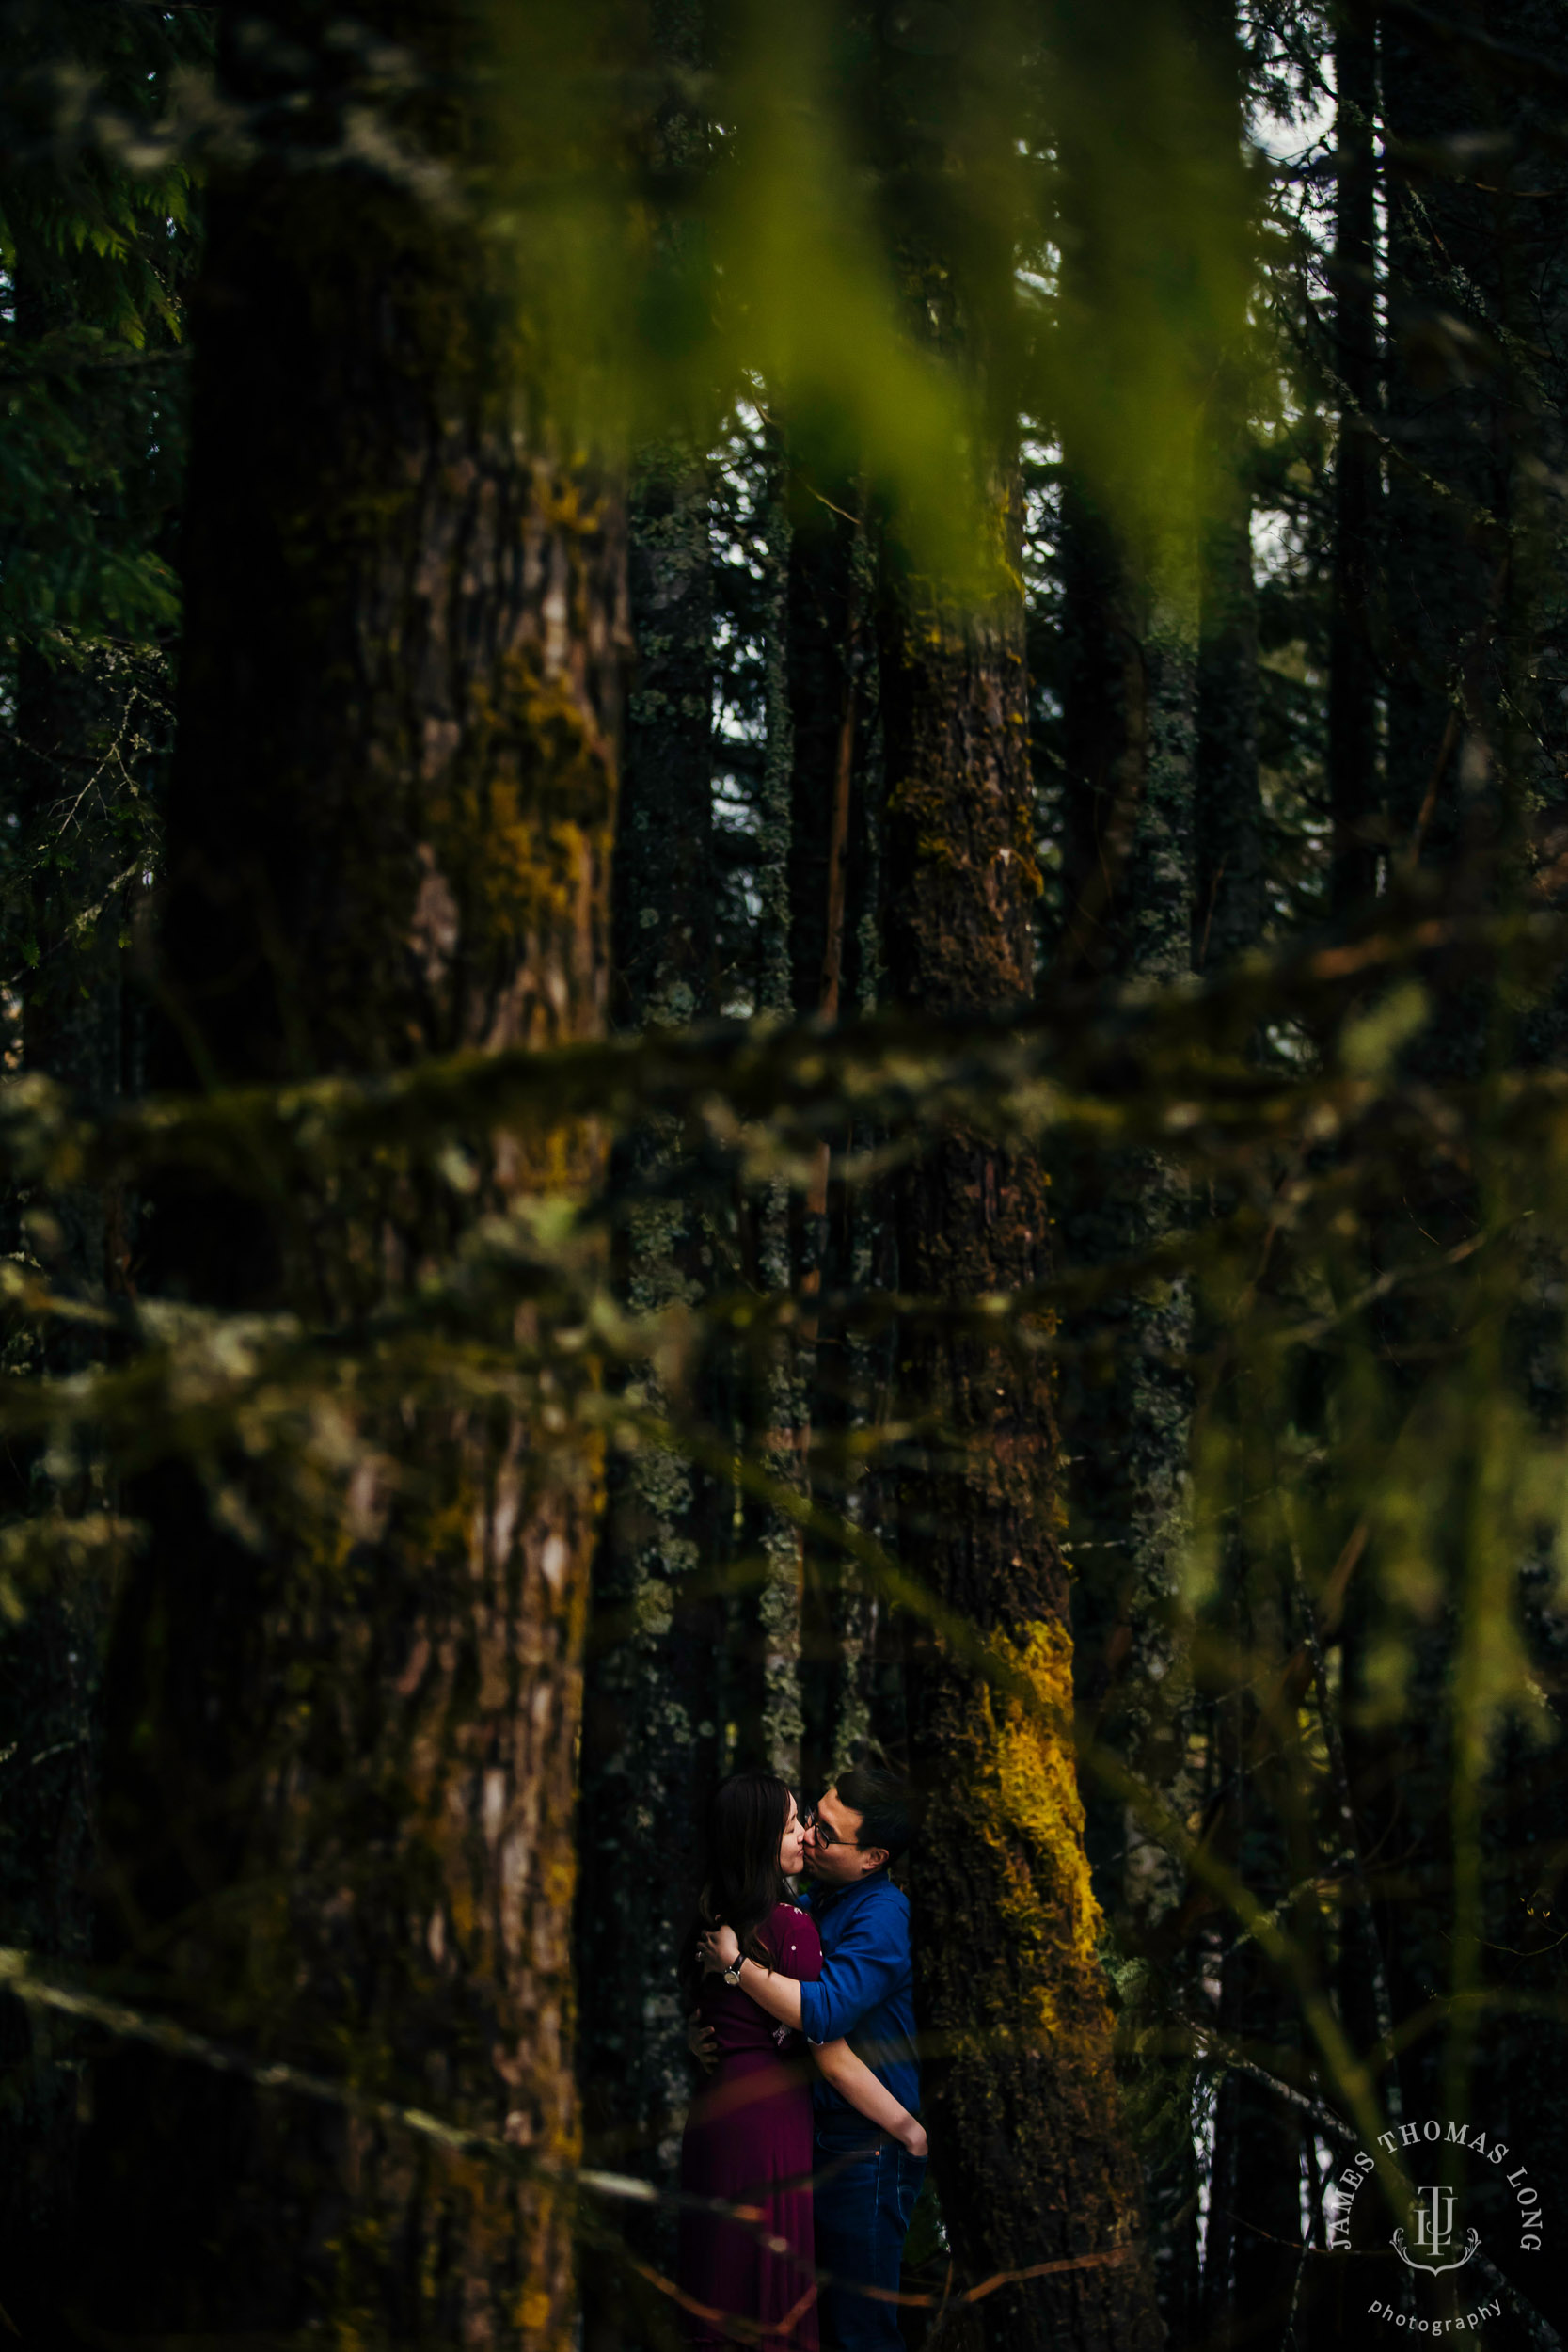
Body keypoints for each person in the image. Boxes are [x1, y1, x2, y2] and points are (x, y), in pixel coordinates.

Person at [677, 1771, 926, 2352]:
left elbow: (826, 2015)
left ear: (873, 1858)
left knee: (857, 2326)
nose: (810, 1836)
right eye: (806, 1819)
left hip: (867, 2142)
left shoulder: (882, 1915)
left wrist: (910, 2132)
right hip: (806, 2134)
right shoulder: (804, 1908)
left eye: (825, 1833)